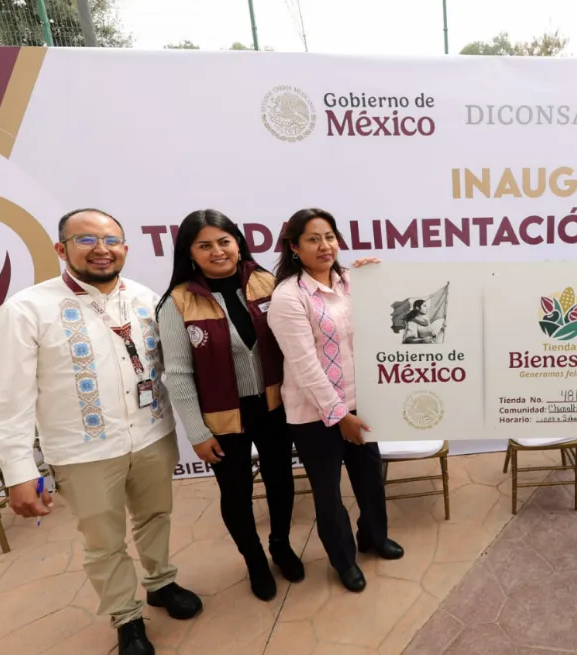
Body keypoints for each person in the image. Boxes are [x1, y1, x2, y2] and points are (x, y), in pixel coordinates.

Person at [0, 209, 202, 655]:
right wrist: (20, 470)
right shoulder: (26, 310)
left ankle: (161, 582)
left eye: (111, 240)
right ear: (62, 249)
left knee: (156, 517)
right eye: (86, 240)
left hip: (152, 435)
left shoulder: (145, 298)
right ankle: (127, 617)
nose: (101, 249)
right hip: (84, 451)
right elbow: (7, 400)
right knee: (104, 541)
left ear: (124, 248)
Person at [155, 209, 304, 602]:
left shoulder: (268, 282)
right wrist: (197, 432)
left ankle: (280, 544)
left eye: (224, 241)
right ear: (190, 253)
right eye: (204, 245)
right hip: (221, 416)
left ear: (238, 242)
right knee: (235, 493)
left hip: (275, 407)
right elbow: (179, 374)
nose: (217, 251)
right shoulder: (177, 302)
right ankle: (254, 559)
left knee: (280, 480)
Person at [267, 208, 403, 593]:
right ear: (294, 248)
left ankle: (374, 538)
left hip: (364, 401)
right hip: (314, 415)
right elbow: (305, 366)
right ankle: (343, 561)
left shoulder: (350, 282)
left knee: (370, 481)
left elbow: (385, 322)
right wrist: (339, 414)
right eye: (313, 239)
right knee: (328, 494)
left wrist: (377, 278)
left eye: (329, 236)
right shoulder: (288, 297)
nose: (324, 246)